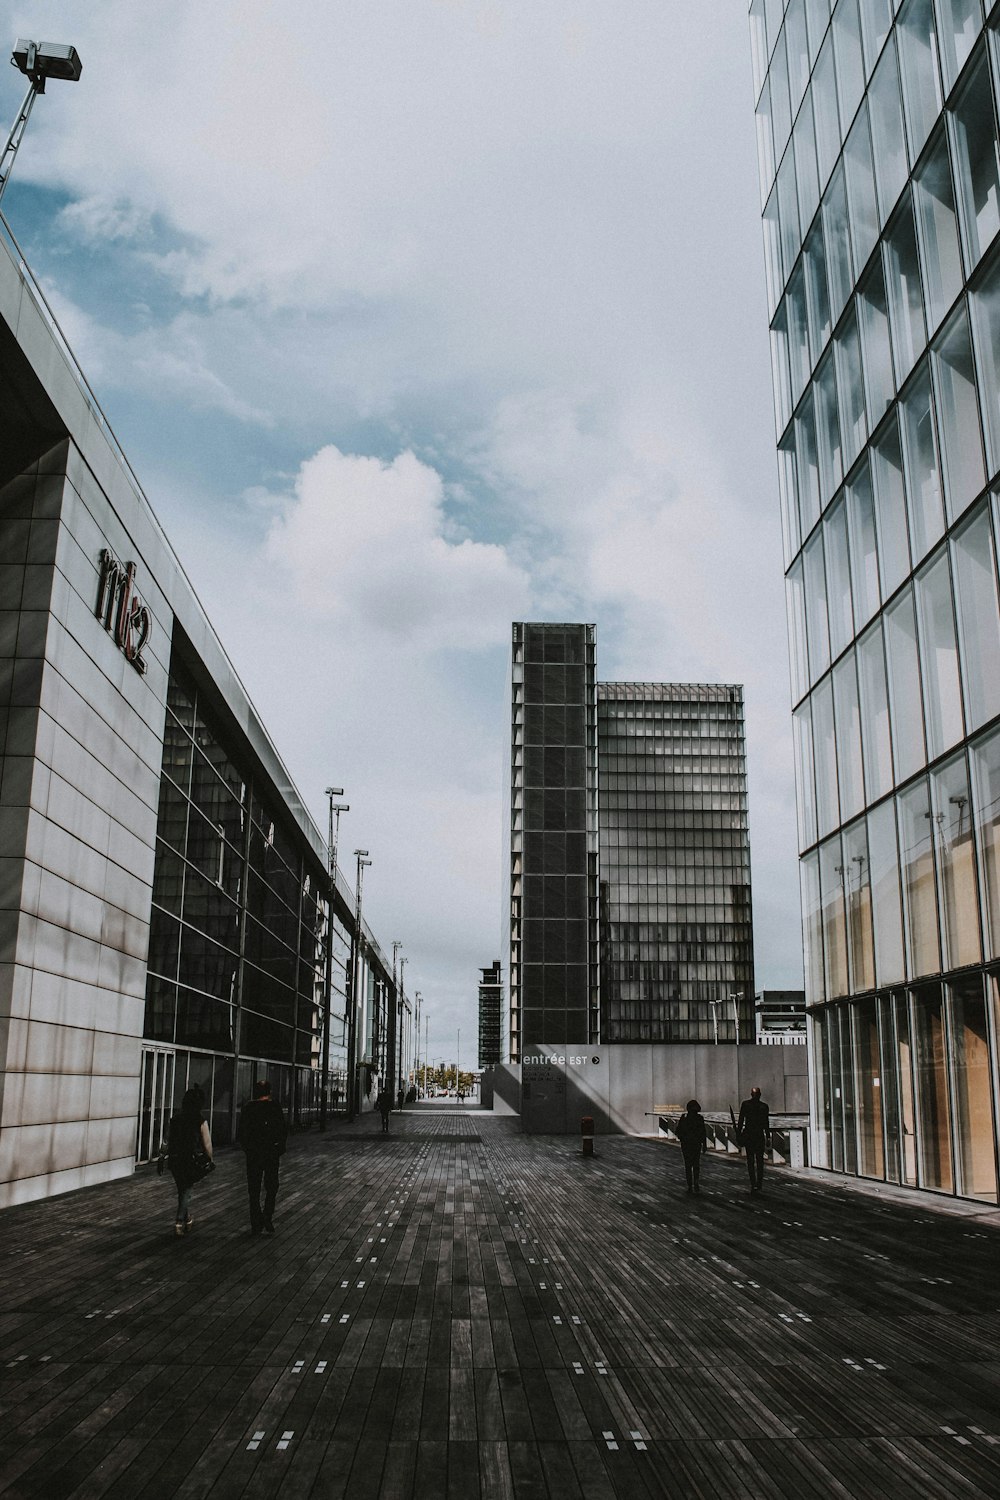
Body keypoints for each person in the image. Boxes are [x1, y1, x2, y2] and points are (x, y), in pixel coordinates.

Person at [238, 1079, 288, 1234]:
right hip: (271, 1152)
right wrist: (279, 1147)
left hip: (253, 1153)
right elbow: (282, 1130)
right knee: (272, 1186)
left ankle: (256, 1221)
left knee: (254, 1188)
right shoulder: (274, 1107)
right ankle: (267, 1215)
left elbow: (242, 1133)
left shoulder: (248, 1108)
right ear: (269, 1092)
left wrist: (247, 1149)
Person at [167, 1087, 213, 1237]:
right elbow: (207, 1144)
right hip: (190, 1159)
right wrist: (210, 1158)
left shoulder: (175, 1119)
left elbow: (170, 1140)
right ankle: (179, 1222)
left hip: (175, 1158)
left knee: (182, 1189)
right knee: (186, 1190)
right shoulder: (200, 1120)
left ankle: (187, 1219)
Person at [737, 1085, 771, 1194]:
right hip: (759, 1135)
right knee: (760, 1161)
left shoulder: (745, 1105)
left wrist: (738, 1134)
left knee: (750, 1160)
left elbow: (741, 1120)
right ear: (760, 1095)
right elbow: (766, 1123)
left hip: (749, 1134)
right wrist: (768, 1136)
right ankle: (759, 1184)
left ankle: (753, 1183)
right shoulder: (764, 1107)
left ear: (751, 1094)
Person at [675, 1099, 708, 1194]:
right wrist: (704, 1144)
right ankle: (696, 1183)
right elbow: (703, 1132)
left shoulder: (684, 1117)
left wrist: (682, 1138)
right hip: (696, 1144)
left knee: (688, 1165)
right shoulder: (699, 1118)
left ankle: (689, 1185)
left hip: (686, 1144)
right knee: (696, 1164)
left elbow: (678, 1131)